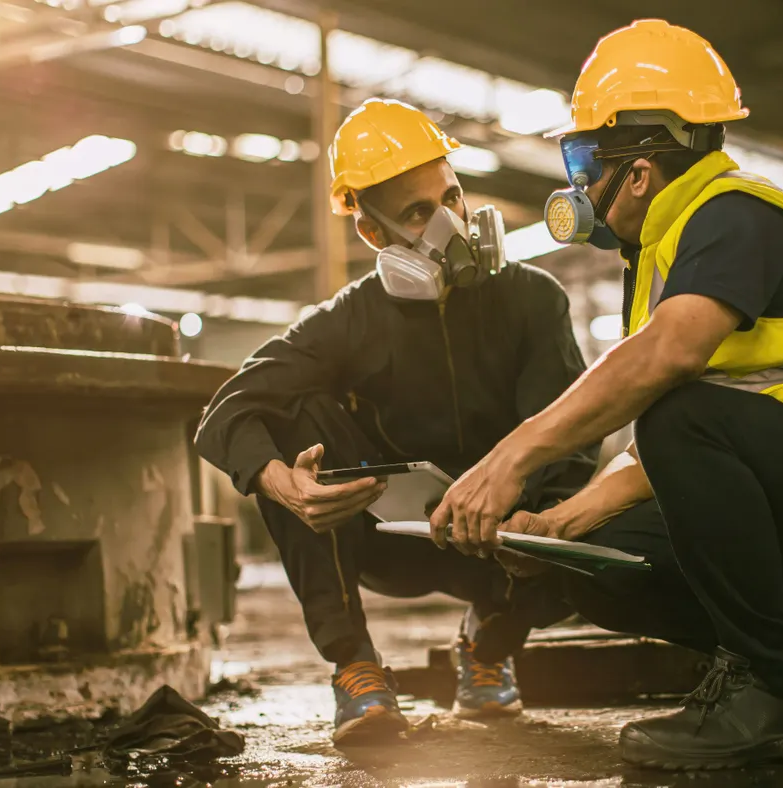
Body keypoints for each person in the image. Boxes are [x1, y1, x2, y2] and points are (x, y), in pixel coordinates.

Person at [430, 20, 783, 771]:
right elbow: (710, 443)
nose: (577, 183)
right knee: (599, 564)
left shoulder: (730, 213)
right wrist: (565, 522)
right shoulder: (667, 250)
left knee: (673, 406)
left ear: (640, 169)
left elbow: (675, 375)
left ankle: (779, 692)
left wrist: (511, 459)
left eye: (584, 157)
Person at [195, 98, 598, 745]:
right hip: (389, 537)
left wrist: (538, 514)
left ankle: (489, 645)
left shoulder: (533, 301)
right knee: (296, 417)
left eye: (454, 197)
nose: (451, 223)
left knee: (583, 498)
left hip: (503, 540)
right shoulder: (348, 321)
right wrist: (283, 484)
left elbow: (572, 443)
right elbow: (227, 411)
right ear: (373, 233)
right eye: (418, 212)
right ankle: (356, 667)